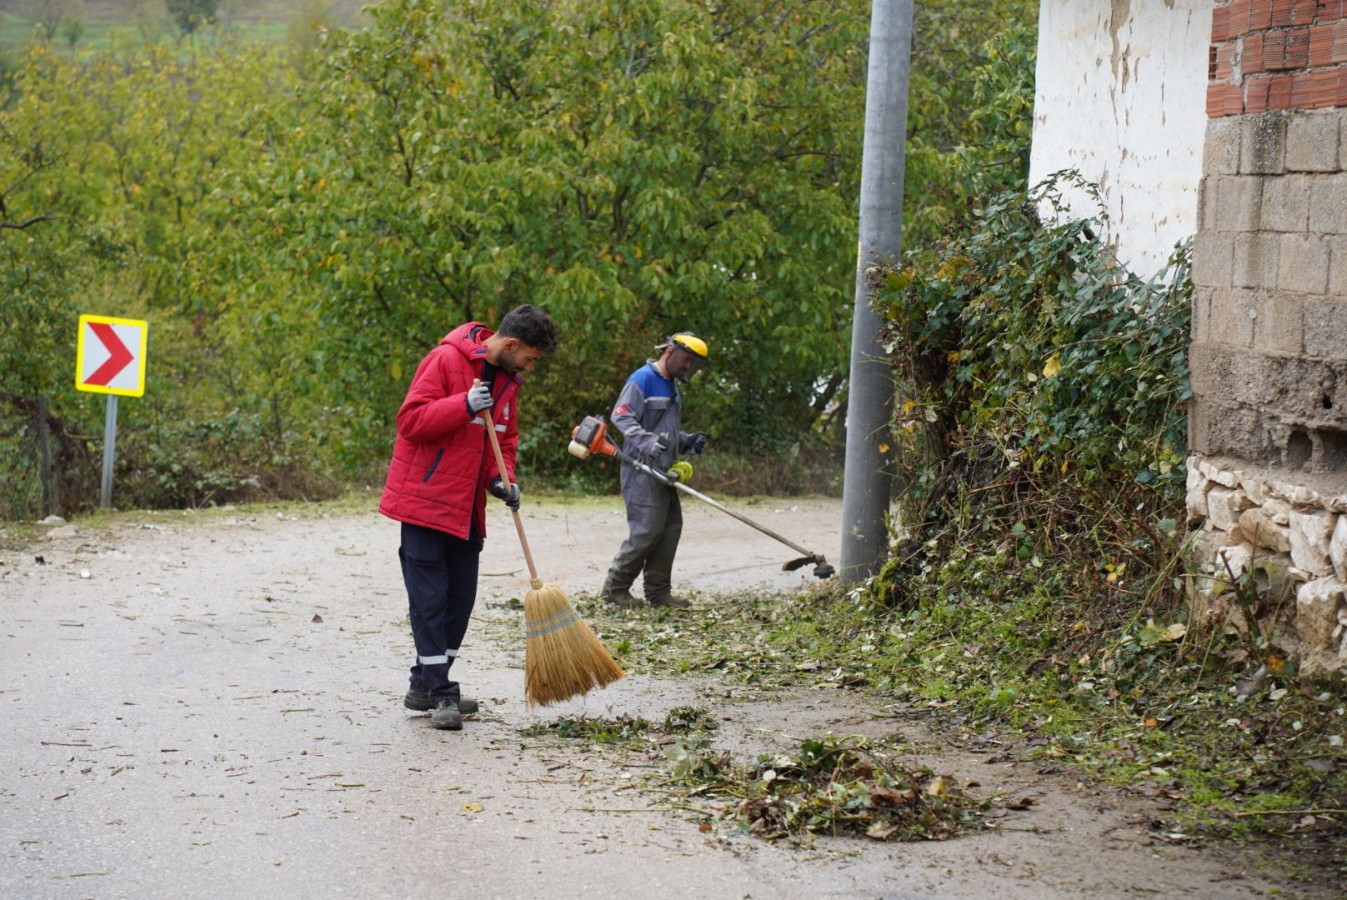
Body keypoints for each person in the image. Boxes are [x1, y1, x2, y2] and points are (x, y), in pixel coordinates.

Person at [379, 304, 559, 730]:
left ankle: (423, 685)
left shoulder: (509, 384)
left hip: (466, 510)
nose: (529, 367)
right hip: (425, 503)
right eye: (530, 358)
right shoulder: (444, 360)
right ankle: (442, 694)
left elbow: (503, 442)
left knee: (459, 601)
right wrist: (462, 404)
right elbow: (410, 421)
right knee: (430, 601)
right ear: (510, 345)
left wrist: (502, 480)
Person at [599, 332, 709, 609]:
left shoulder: (671, 386)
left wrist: (687, 440)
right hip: (641, 470)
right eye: (686, 360)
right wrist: (647, 442)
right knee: (646, 530)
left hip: (664, 470)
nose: (688, 366)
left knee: (670, 529)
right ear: (670, 351)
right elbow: (621, 415)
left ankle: (658, 593)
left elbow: (664, 431)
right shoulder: (643, 378)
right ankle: (615, 589)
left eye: (693, 363)